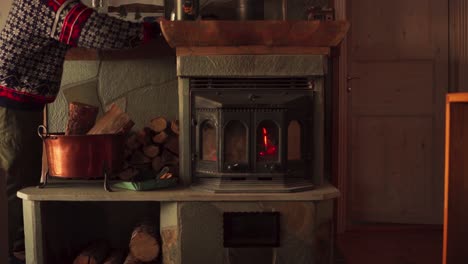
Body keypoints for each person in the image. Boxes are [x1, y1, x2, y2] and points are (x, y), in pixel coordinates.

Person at [0, 0, 162, 263]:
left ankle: (24, 251)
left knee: (23, 178)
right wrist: (151, 31)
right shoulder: (49, 4)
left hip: (17, 101)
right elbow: (96, 30)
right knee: (19, 181)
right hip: (10, 103)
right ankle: (20, 255)